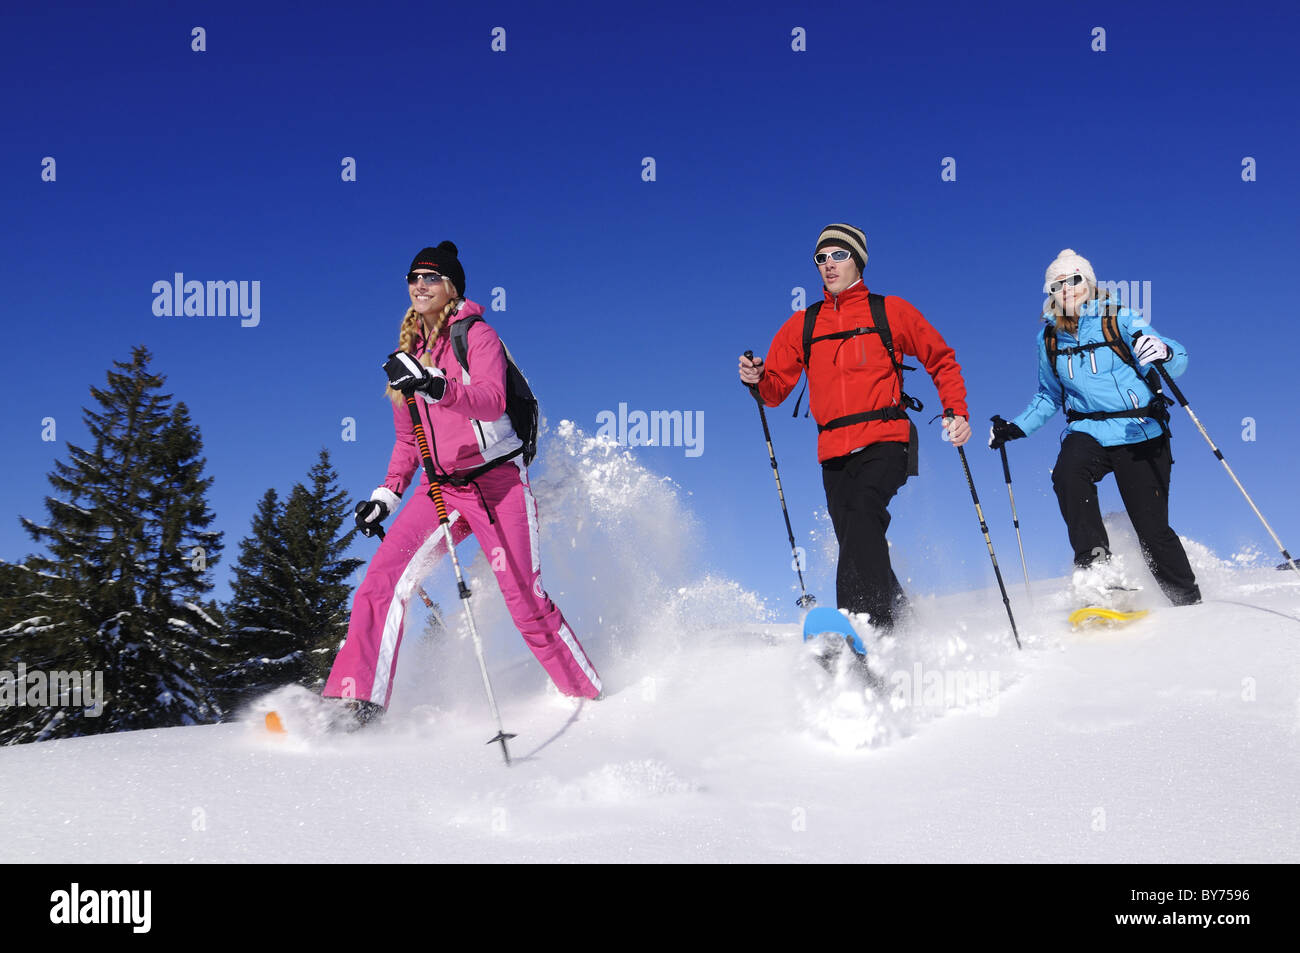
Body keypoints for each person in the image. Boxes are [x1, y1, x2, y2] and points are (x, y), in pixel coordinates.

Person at [323, 242, 602, 726]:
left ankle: (588, 698)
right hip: (443, 489)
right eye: (413, 277)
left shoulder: (476, 335)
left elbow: (492, 401)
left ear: (451, 287)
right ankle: (357, 703)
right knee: (381, 582)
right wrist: (386, 496)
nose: (419, 285)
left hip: (498, 484)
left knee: (523, 597)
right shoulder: (406, 356)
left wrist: (436, 385)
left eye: (430, 277)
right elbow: (408, 442)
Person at [738, 223, 971, 631]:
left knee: (864, 512)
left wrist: (956, 411)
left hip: (886, 438)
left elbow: (941, 359)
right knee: (856, 539)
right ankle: (900, 620)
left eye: (838, 255)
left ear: (857, 259)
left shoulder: (891, 310)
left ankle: (861, 624)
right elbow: (774, 390)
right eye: (821, 258)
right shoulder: (804, 324)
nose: (828, 264)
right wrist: (755, 378)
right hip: (832, 452)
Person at [988, 248, 1201, 606]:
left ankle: (1187, 602)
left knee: (1152, 530)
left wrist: (1163, 350)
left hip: (1140, 432)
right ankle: (1096, 566)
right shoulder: (1050, 339)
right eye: (1057, 285)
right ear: (1050, 293)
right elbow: (1048, 396)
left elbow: (1176, 359)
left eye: (1074, 281)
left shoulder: (1118, 318)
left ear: (1088, 283)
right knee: (1068, 474)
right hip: (1088, 432)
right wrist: (1016, 427)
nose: (1067, 289)